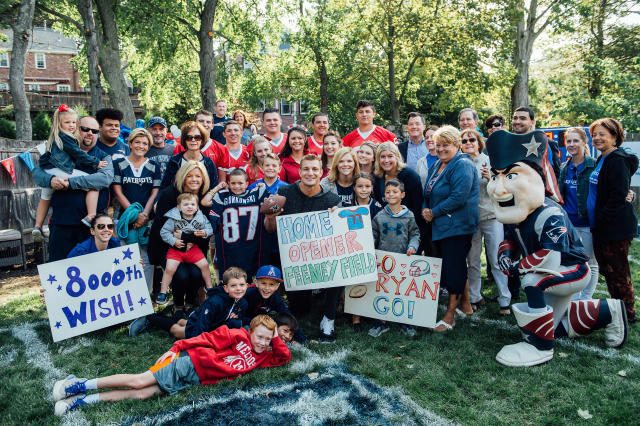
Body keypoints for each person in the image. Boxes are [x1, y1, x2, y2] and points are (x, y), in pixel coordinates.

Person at [486, 129, 628, 367]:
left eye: (510, 177)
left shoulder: (549, 213)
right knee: (554, 327)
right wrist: (506, 256)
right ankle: (610, 311)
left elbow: (549, 258)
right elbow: (510, 240)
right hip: (554, 272)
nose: (499, 189)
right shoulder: (522, 213)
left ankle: (540, 348)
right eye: (495, 177)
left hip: (571, 269)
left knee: (532, 281)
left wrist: (516, 266)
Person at [52, 314, 290, 416]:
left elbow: (284, 358)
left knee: (143, 394)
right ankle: (78, 385)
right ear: (250, 333)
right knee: (138, 381)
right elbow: (205, 339)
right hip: (190, 364)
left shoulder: (265, 356)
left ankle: (81, 401)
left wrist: (275, 337)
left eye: (267, 339)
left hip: (193, 379)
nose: (262, 342)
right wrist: (175, 348)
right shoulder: (236, 334)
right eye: (259, 336)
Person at [266, 154, 342, 342]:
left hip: (322, 259)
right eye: (306, 169)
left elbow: (339, 237)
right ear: (299, 172)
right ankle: (309, 296)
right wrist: (271, 217)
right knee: (301, 309)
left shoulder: (332, 199)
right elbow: (269, 229)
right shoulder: (283, 193)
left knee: (340, 267)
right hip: (295, 262)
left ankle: (329, 320)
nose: (310, 173)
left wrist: (336, 219)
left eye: (314, 169)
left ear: (321, 172)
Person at [32, 116, 113, 261]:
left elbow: (104, 179)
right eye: (85, 129)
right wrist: (51, 180)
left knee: (93, 269)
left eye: (94, 131)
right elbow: (37, 173)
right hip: (62, 224)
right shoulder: (59, 150)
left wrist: (71, 182)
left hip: (92, 226)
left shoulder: (103, 157)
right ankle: (37, 226)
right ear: (75, 129)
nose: (90, 133)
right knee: (59, 268)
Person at [422, 126, 478, 332]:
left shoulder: (463, 164)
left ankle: (450, 316)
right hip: (438, 225)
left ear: (456, 145)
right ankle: (466, 304)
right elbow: (427, 192)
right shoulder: (437, 164)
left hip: (457, 225)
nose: (441, 149)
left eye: (446, 145)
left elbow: (459, 196)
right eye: (438, 145)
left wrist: (433, 212)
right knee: (451, 267)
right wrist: (425, 210)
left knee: (454, 270)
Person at [588, 118, 638, 323]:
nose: (597, 138)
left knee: (618, 272)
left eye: (602, 134)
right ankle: (619, 309)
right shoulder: (603, 158)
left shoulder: (617, 160)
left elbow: (618, 196)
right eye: (595, 135)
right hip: (601, 227)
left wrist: (601, 219)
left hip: (614, 228)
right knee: (609, 271)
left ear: (615, 137)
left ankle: (628, 314)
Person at [148, 161, 213, 313]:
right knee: (182, 275)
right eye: (189, 175)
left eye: (198, 176)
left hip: (195, 247)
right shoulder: (169, 195)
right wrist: (179, 241)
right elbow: (161, 229)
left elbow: (207, 229)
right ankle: (177, 305)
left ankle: (190, 304)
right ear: (183, 177)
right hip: (170, 247)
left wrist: (187, 237)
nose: (194, 179)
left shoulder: (204, 197)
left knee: (196, 273)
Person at [33, 105, 104, 238]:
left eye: (73, 122)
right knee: (93, 184)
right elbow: (78, 154)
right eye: (67, 122)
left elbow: (44, 158)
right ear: (59, 124)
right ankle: (91, 216)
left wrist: (50, 175)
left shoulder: (56, 139)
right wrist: (96, 163)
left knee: (45, 196)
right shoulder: (66, 138)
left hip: (51, 170)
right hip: (59, 172)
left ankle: (37, 226)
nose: (71, 125)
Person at [460, 128, 510, 314]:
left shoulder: (490, 161)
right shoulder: (460, 163)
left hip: (491, 216)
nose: (468, 143)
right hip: (470, 218)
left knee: (496, 259)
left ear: (479, 142)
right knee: (472, 260)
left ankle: (504, 299)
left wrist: (491, 179)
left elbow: (504, 189)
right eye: (464, 141)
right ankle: (474, 296)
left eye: (471, 140)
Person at [131, 266, 248, 339]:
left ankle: (158, 316)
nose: (238, 289)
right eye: (233, 286)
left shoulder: (243, 303)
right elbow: (202, 324)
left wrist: (237, 319)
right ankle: (150, 318)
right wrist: (200, 340)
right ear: (226, 288)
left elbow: (238, 318)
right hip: (202, 326)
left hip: (211, 326)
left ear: (247, 286)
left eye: (242, 285)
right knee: (178, 331)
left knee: (184, 322)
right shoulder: (215, 301)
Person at [369, 179, 420, 338]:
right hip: (384, 262)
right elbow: (373, 235)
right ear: (384, 195)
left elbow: (415, 234)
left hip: (403, 260)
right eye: (388, 192)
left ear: (402, 195)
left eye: (395, 192)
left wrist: (413, 246)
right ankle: (381, 323)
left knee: (402, 292)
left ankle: (404, 322)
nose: (391, 194)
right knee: (384, 291)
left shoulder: (409, 215)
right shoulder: (379, 216)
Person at [112, 128, 161, 288]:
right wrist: (134, 214)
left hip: (148, 219)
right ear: (130, 143)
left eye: (145, 143)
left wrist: (144, 214)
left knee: (146, 259)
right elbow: (117, 191)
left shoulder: (154, 165)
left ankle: (145, 297)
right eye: (138, 142)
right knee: (125, 258)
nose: (141, 146)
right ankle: (126, 297)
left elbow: (154, 193)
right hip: (124, 217)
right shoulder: (118, 164)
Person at [206, 168, 272, 280]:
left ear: (247, 183)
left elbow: (273, 208)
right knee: (230, 280)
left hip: (253, 246)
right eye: (233, 183)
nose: (237, 186)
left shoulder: (258, 193)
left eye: (240, 183)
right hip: (230, 248)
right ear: (228, 183)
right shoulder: (222, 196)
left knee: (253, 280)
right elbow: (213, 219)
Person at [558, 127, 598, 300]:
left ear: (584, 142)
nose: (572, 144)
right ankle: (574, 297)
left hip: (589, 222)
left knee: (591, 263)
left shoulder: (594, 165)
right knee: (572, 261)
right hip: (569, 223)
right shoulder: (564, 167)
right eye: (569, 141)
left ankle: (586, 299)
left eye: (576, 141)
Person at [156, 192, 214, 304]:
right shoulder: (173, 218)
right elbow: (164, 232)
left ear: (197, 207)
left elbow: (210, 228)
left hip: (193, 250)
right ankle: (163, 292)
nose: (189, 207)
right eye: (186, 204)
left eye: (192, 204)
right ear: (179, 207)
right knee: (169, 269)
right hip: (176, 249)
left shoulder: (200, 217)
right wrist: (174, 241)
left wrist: (205, 232)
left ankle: (209, 287)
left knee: (205, 265)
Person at [373, 142, 426, 254]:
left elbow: (417, 206)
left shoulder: (409, 176)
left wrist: (413, 239)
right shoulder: (378, 178)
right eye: (383, 157)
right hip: (387, 231)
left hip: (408, 228)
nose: (386, 160)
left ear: (397, 157)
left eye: (390, 156)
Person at [241, 265, 306, 343]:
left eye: (271, 284)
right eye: (264, 283)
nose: (267, 288)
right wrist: (255, 322)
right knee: (246, 329)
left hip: (259, 322)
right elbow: (236, 314)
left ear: (277, 286)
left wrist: (303, 340)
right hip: (243, 321)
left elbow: (288, 316)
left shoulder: (276, 298)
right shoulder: (247, 294)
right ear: (256, 283)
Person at [174, 110, 229, 184]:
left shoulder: (221, 149)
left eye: (208, 122)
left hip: (211, 192)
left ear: (212, 126)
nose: (205, 124)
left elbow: (221, 180)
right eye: (201, 121)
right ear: (194, 124)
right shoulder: (181, 147)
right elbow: (175, 175)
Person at [162, 121, 219, 189]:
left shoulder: (208, 163)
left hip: (203, 199)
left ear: (202, 140)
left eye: (197, 137)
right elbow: (165, 186)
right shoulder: (175, 161)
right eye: (189, 137)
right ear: (184, 140)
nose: (193, 140)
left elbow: (214, 187)